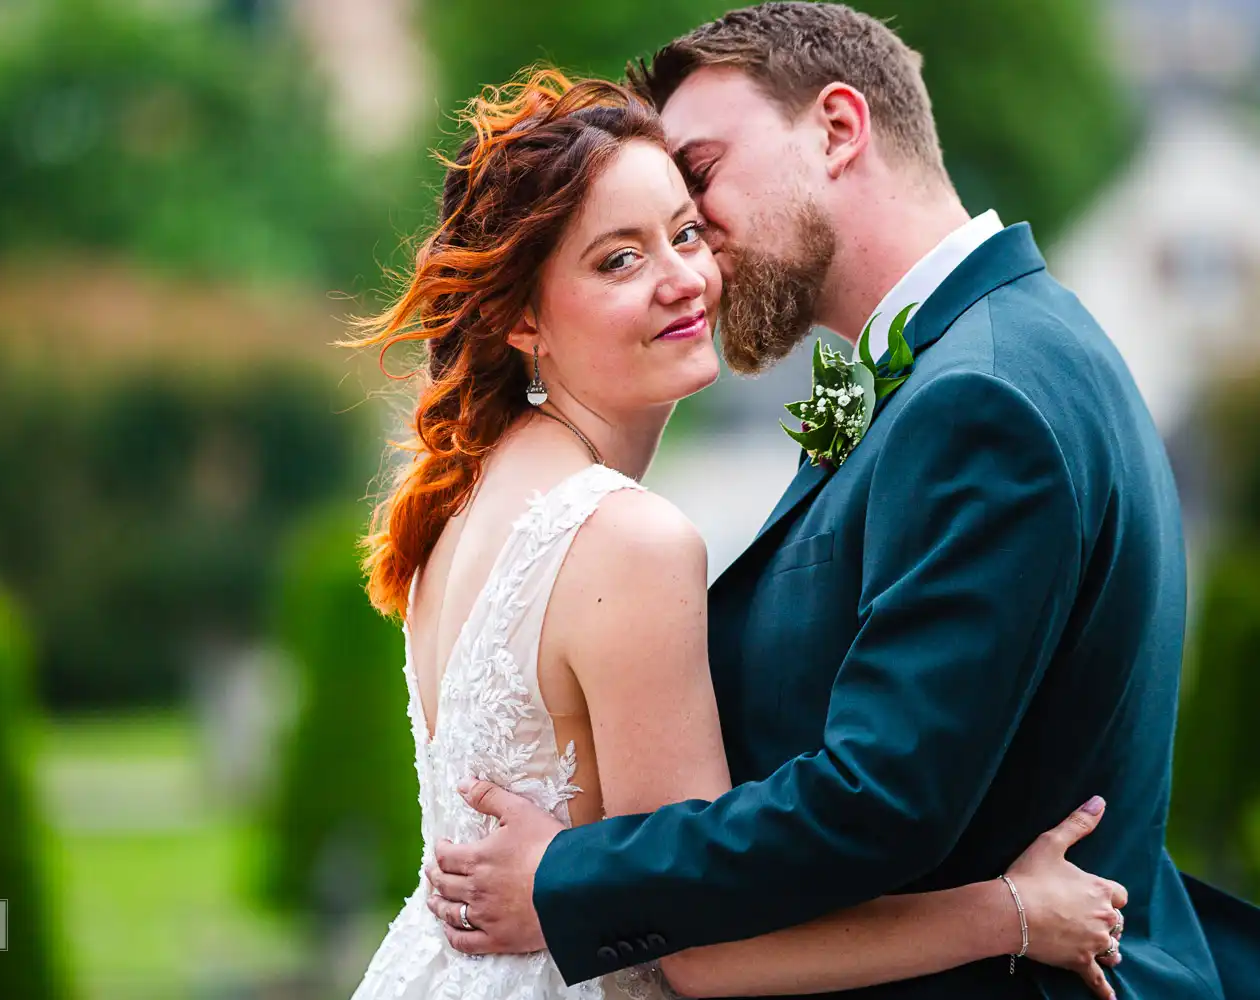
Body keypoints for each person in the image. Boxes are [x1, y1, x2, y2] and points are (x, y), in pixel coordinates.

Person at [426, 6, 1260, 1000]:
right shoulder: (924, 370)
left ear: (836, 129)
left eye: (700, 180)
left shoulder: (980, 394)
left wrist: (574, 880)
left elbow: (882, 797)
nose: (695, 248)